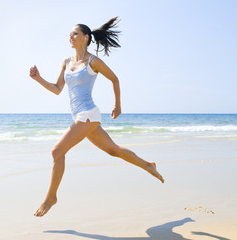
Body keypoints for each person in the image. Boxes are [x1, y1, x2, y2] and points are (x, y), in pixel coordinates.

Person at [29, 17, 164, 217]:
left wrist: (118, 105)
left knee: (57, 151)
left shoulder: (94, 62)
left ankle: (51, 198)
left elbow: (115, 79)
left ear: (85, 38)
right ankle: (148, 165)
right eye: (70, 34)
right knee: (114, 150)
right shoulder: (66, 61)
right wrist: (38, 78)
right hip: (82, 116)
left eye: (75, 34)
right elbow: (57, 89)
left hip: (88, 114)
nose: (71, 37)